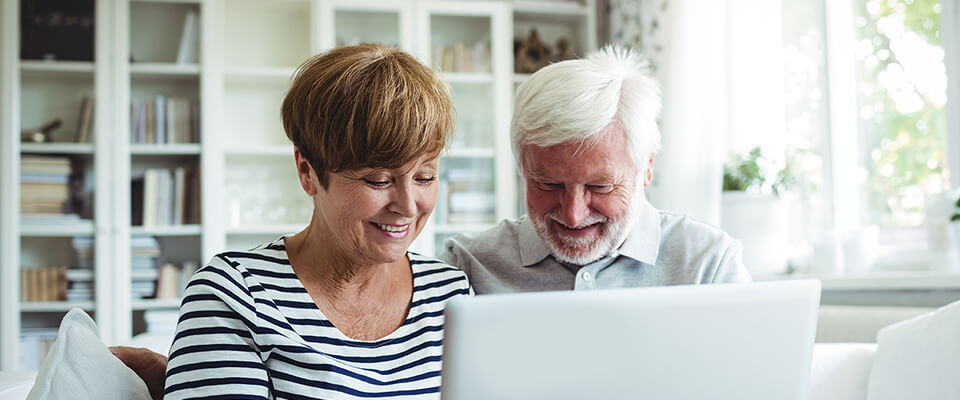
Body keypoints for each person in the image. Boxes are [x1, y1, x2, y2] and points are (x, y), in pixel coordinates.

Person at [121, 44, 469, 400]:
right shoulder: (234, 295)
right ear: (308, 171)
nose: (408, 206)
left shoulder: (452, 294)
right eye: (378, 180)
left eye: (425, 177)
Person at [437, 44, 751, 293]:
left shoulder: (708, 265)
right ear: (522, 168)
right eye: (549, 185)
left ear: (647, 168)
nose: (573, 215)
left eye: (600, 187)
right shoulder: (468, 266)